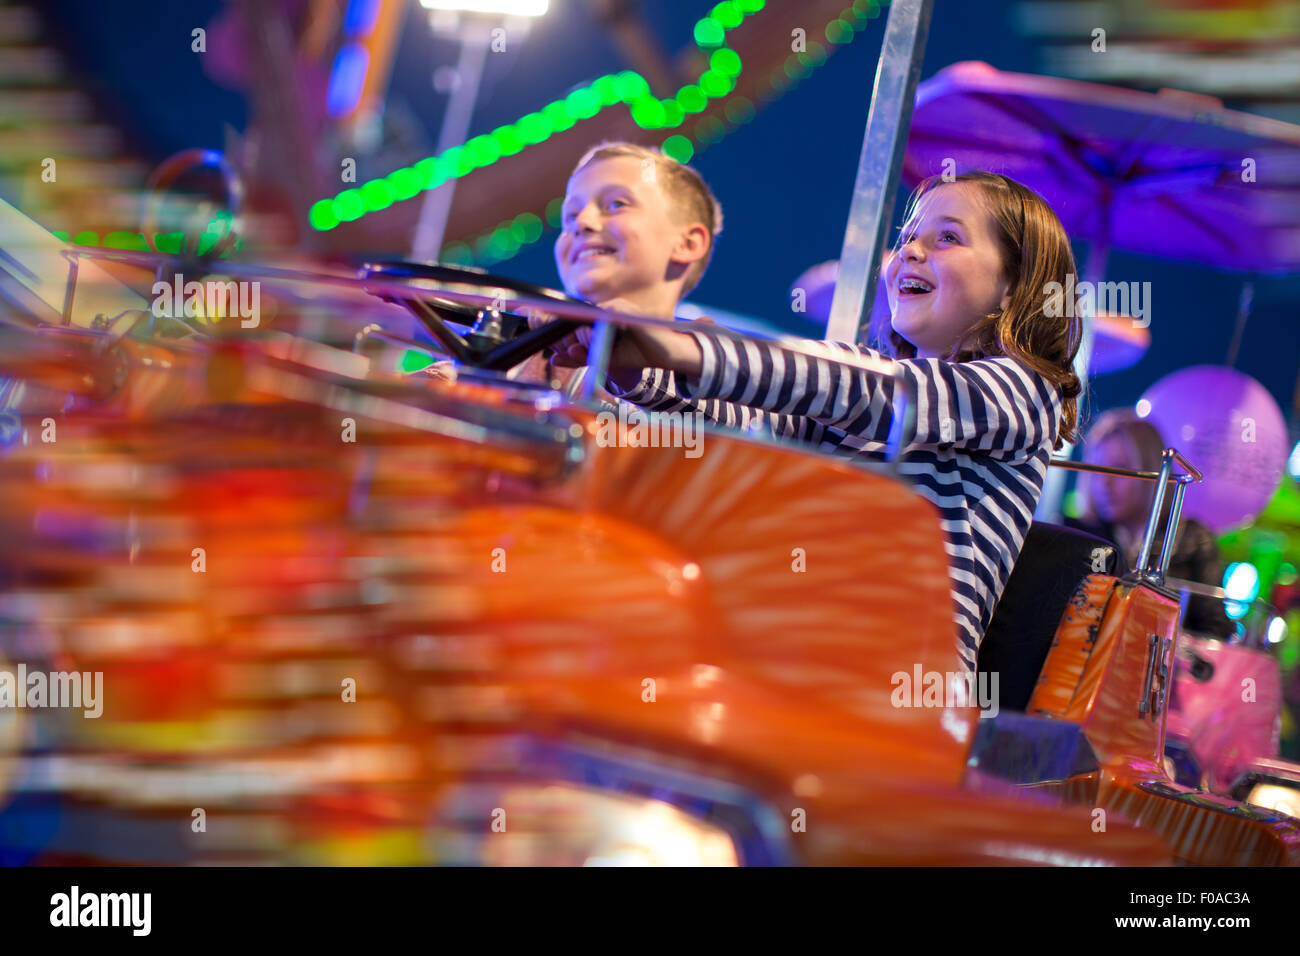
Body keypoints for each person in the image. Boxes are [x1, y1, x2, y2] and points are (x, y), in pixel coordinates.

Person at [547, 170, 1083, 673]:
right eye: (911, 235)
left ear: (1016, 285)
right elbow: (741, 422)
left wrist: (693, 351)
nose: (911, 251)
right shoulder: (852, 408)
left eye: (948, 239)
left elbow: (877, 392)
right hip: (789, 646)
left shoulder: (1022, 393)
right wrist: (636, 369)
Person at [1067, 409, 1234, 638]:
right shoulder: (1078, 535)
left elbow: (1215, 630)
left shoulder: (1194, 539)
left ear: (1152, 470)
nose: (1104, 483)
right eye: (1099, 470)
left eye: (1119, 469)